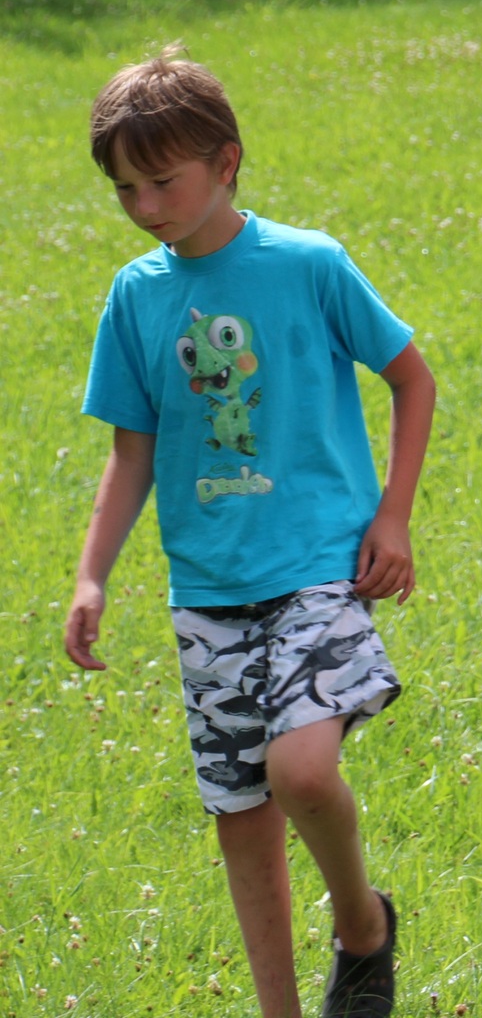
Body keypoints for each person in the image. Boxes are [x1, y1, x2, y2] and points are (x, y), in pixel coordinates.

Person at [61, 49, 437, 1018]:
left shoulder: (308, 264)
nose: (145, 205)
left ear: (226, 163)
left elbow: (411, 377)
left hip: (317, 566)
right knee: (241, 813)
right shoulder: (135, 295)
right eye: (126, 188)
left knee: (300, 769)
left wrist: (393, 514)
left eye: (163, 180)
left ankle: (362, 924)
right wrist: (93, 574)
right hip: (206, 586)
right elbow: (132, 454)